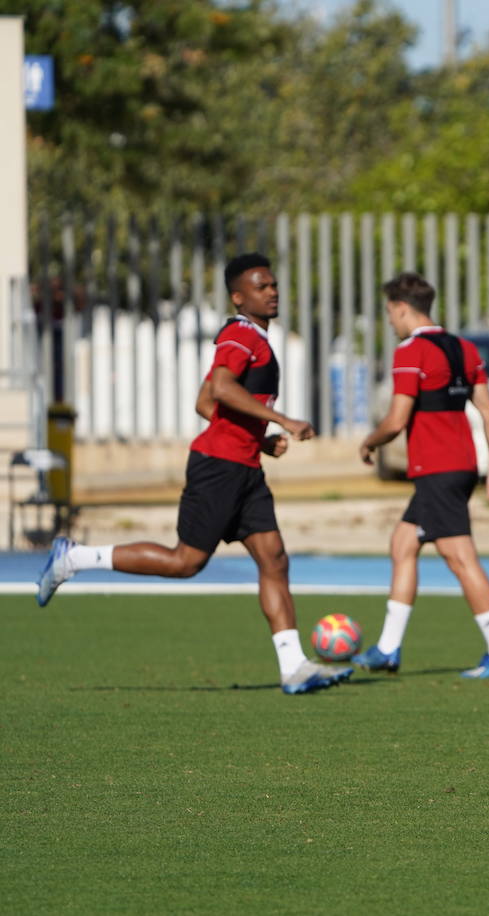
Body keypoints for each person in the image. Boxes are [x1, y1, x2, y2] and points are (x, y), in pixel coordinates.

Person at [35, 253, 351, 695]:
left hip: (245, 468)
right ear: (239, 297)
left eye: (274, 284)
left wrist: (258, 440)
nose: (272, 291)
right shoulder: (242, 334)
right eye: (262, 287)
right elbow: (220, 388)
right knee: (185, 562)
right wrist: (281, 420)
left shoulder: (253, 337)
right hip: (218, 467)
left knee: (274, 560)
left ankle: (294, 667)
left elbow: (205, 403)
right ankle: (74, 558)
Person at [352, 272, 489, 679]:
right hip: (460, 466)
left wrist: (369, 442)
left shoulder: (410, 351)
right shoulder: (464, 347)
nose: (390, 322)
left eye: (390, 314)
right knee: (403, 543)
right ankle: (388, 649)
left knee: (459, 557)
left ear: (401, 309)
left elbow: (396, 420)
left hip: (436, 469)